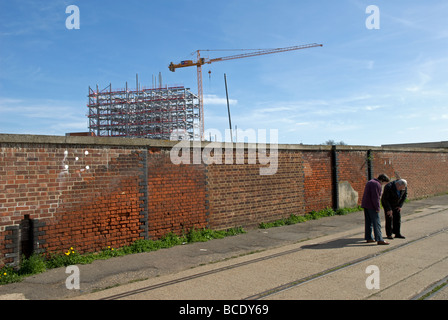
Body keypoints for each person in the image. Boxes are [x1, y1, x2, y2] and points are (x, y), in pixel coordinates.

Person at [361, 174, 391, 245]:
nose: (383, 185)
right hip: (372, 206)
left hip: (366, 205)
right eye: (384, 183)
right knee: (376, 223)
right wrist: (377, 207)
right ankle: (379, 239)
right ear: (382, 180)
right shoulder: (376, 184)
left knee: (368, 222)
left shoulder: (370, 182)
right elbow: (375, 197)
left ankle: (369, 238)